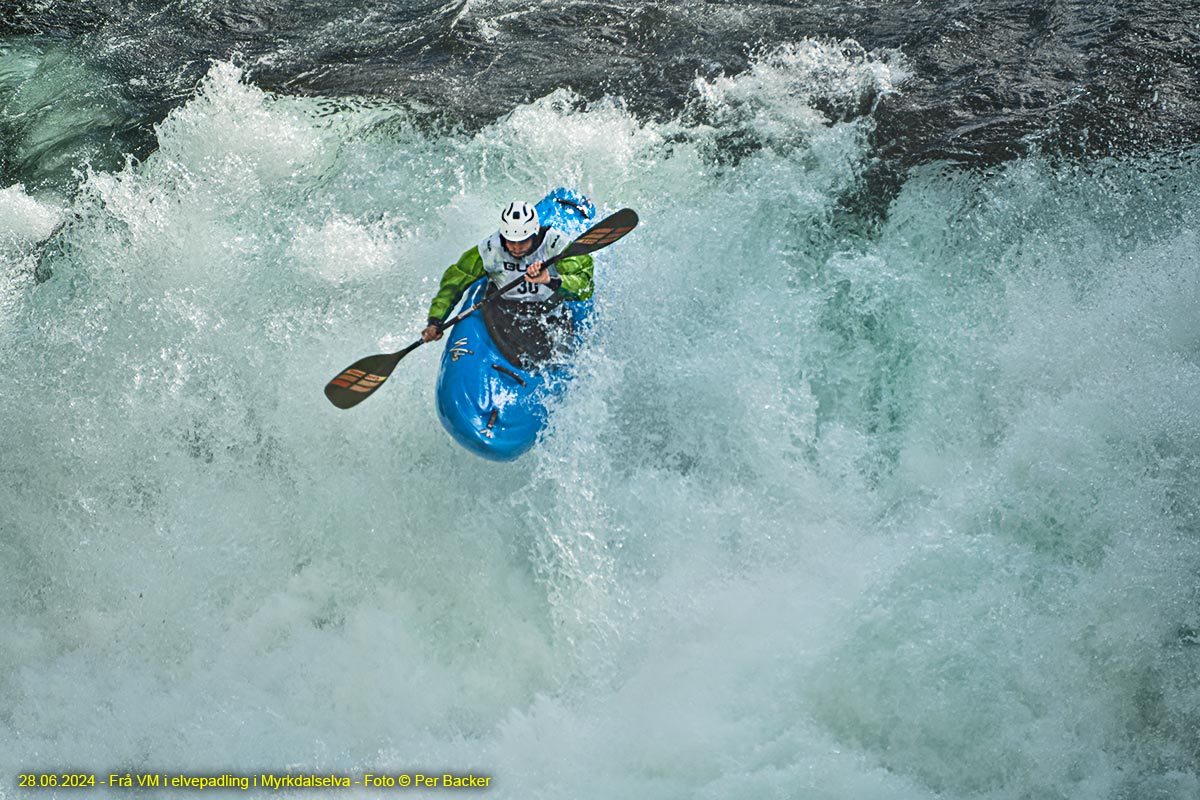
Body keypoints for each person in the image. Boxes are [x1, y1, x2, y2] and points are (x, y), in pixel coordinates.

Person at [421, 200, 594, 364]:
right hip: (506, 316)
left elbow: (584, 285)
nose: (516, 248)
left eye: (522, 242)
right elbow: (454, 282)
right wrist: (435, 320)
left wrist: (550, 280)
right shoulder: (490, 250)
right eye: (511, 241)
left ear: (534, 234)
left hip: (548, 314)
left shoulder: (556, 246)